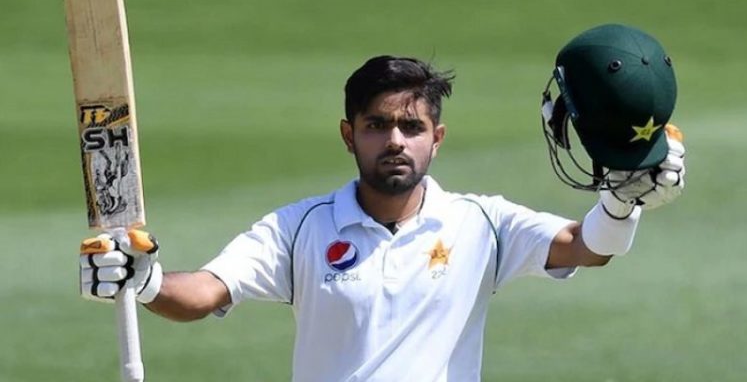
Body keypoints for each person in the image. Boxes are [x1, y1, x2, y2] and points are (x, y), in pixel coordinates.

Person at [80, 25, 687, 382]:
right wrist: (148, 281)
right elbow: (206, 292)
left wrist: (622, 203)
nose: (395, 140)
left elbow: (588, 248)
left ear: (436, 138)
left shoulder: (482, 223)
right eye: (377, 125)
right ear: (349, 135)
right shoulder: (299, 229)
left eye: (411, 127)